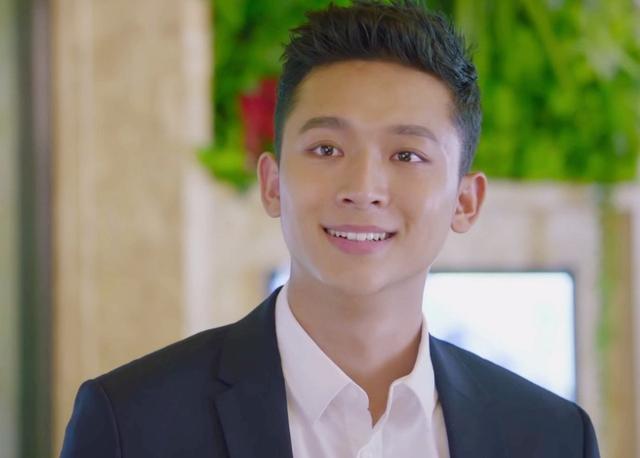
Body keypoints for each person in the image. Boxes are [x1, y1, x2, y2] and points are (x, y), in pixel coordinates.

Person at [61, 1, 600, 457]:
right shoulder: (131, 422)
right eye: (326, 149)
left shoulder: (551, 437)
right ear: (272, 183)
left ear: (465, 201)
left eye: (406, 154)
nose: (363, 188)